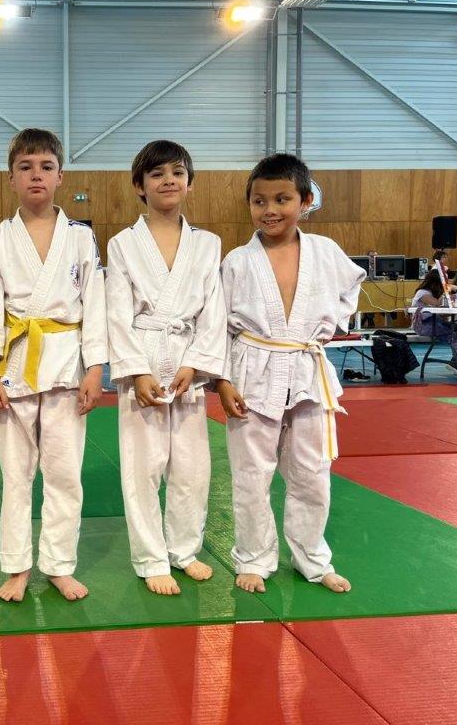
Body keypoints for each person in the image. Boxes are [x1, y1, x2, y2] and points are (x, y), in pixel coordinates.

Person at [0, 128, 107, 603]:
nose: (36, 176)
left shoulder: (81, 238)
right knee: (16, 475)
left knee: (65, 474)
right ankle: (17, 566)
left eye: (46, 167)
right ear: (11, 178)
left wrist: (95, 369)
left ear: (60, 176)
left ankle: (60, 564)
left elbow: (95, 304)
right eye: (25, 168)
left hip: (67, 364)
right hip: (14, 367)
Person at [216, 153, 363, 596]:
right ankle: (253, 558)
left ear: (305, 201)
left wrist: (331, 323)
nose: (270, 210)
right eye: (259, 201)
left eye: (282, 199)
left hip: (305, 368)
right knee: (250, 475)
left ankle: (312, 559)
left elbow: (352, 284)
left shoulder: (325, 251)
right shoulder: (237, 261)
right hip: (251, 370)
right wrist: (222, 380)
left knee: (312, 473)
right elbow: (217, 325)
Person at [105, 140, 226, 596]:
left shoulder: (208, 244)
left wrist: (196, 363)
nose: (168, 180)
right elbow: (117, 311)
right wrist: (136, 371)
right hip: (144, 352)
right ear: (140, 186)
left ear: (190, 183)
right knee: (143, 467)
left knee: (192, 467)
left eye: (177, 172)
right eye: (157, 174)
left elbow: (214, 309)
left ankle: (184, 550)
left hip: (187, 358)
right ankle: (151, 558)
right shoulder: (122, 244)